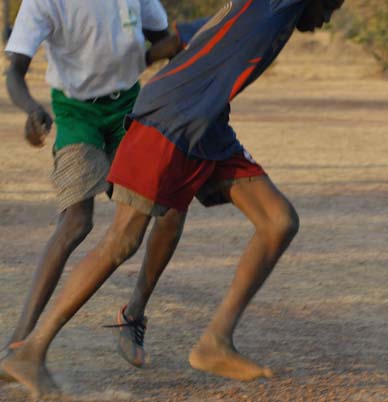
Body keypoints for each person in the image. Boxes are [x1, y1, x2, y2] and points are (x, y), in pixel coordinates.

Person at [0, 0, 344, 398]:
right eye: (333, 4)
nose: (331, 15)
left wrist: (146, 57)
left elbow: (181, 35)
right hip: (170, 118)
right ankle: (31, 349)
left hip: (207, 124)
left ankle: (213, 342)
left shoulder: (267, 14)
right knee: (121, 240)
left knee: (278, 220)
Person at [1, 0, 184, 381]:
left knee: (168, 207)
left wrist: (161, 57)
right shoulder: (46, 2)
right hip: (75, 112)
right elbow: (15, 72)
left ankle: (132, 315)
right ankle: (18, 343)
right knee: (75, 222)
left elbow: (164, 44)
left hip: (130, 108)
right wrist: (31, 109)